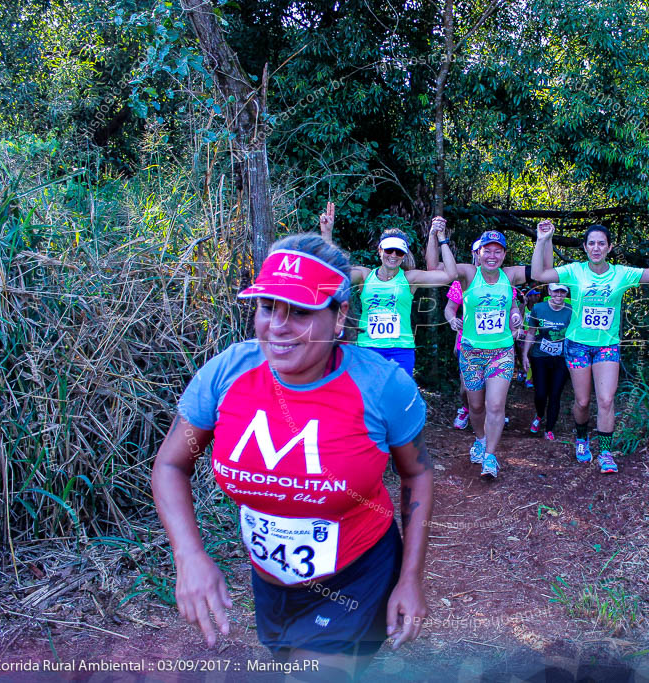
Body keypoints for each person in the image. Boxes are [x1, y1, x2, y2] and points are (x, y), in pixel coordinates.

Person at [151, 234, 433, 680]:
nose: (276, 326)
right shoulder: (227, 373)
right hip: (270, 582)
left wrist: (411, 577)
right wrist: (189, 555)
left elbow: (417, 475)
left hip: (356, 576)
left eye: (300, 311)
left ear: (339, 316)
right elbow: (172, 464)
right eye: (267, 307)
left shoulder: (383, 387)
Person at [531, 218, 649, 473]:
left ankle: (606, 452)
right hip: (577, 346)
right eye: (591, 244)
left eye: (601, 243)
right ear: (585, 247)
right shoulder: (575, 271)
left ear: (609, 247)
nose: (596, 248)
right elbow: (538, 275)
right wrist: (543, 241)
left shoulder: (621, 274)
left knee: (606, 400)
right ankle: (582, 438)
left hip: (607, 346)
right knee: (583, 402)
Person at [446, 229, 547, 478]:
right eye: (487, 250)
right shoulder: (467, 276)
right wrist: (452, 320)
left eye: (498, 250)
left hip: (501, 351)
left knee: (495, 404)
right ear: (478, 253)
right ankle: (480, 439)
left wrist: (543, 240)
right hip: (471, 352)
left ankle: (490, 456)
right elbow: (446, 293)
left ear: (504, 254)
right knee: (476, 406)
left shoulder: (509, 276)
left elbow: (539, 273)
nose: (492, 255)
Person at [319, 202, 457, 377]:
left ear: (404, 256)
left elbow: (450, 275)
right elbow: (332, 273)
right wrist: (327, 234)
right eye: (389, 250)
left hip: (400, 349)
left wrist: (440, 238)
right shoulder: (364, 276)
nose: (393, 256)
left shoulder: (409, 279)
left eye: (398, 252)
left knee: (396, 400)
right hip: (368, 348)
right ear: (379, 251)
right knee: (368, 399)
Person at [521, 283, 572, 441]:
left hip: (561, 358)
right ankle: (539, 414)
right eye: (555, 291)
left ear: (566, 293)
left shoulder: (571, 311)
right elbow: (530, 333)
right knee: (541, 393)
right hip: (540, 356)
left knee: (555, 394)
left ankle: (549, 428)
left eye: (562, 292)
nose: (558, 295)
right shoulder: (539, 309)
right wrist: (524, 355)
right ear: (549, 291)